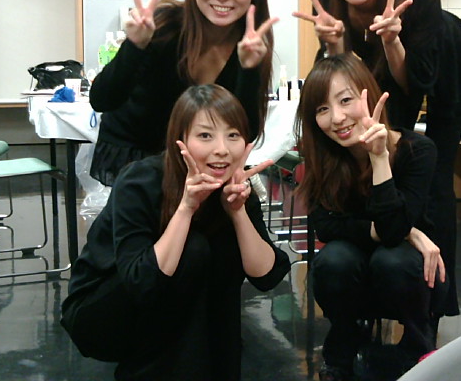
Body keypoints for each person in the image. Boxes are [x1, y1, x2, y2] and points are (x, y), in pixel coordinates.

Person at [294, 0, 461, 318]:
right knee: (376, 151)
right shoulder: (328, 0)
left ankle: (433, 306)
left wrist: (391, 41)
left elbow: (415, 83)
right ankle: (380, 259)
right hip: (376, 69)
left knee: (433, 171)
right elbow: (344, 77)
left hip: (441, 65)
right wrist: (333, 46)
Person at [61, 84, 291, 380]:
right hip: (105, 310)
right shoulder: (141, 181)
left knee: (222, 248)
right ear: (179, 140)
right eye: (205, 135)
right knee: (192, 249)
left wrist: (238, 213)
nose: (222, 149)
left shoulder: (234, 187)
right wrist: (186, 208)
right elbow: (141, 280)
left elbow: (267, 276)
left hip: (169, 311)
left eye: (233, 135)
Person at [294, 54, 445, 381]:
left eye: (345, 100)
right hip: (354, 261)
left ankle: (417, 345)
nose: (337, 118)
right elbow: (326, 226)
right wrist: (408, 232)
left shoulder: (417, 150)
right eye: (322, 109)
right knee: (334, 260)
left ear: (370, 95)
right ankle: (344, 340)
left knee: (393, 260)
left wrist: (379, 159)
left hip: (406, 268)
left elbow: (392, 232)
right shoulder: (323, 156)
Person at [90, 0, 279, 186]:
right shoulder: (166, 25)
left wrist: (249, 70)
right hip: (135, 155)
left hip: (197, 161)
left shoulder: (251, 44)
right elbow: (101, 99)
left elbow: (245, 132)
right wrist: (135, 46)